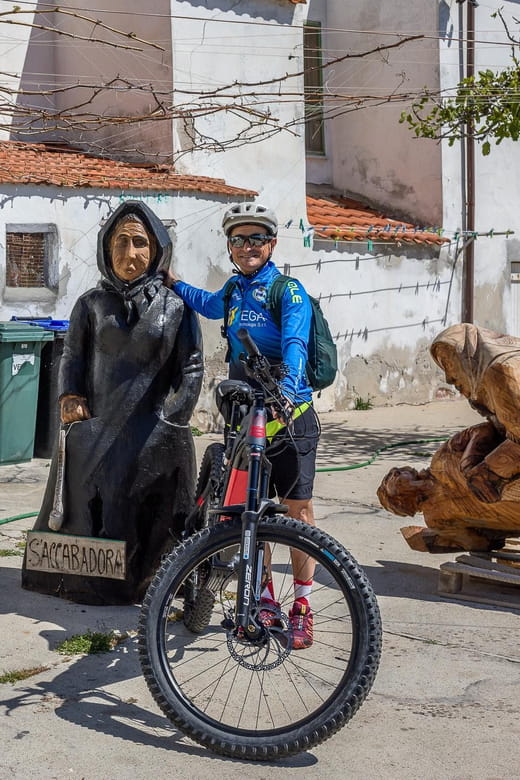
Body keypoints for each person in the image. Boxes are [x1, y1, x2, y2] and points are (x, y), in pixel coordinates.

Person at [22, 200, 203, 605]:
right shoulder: (90, 304)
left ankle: (156, 581)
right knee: (90, 506)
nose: (130, 253)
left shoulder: (176, 307)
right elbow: (72, 357)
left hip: (155, 426)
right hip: (99, 422)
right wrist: (69, 396)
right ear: (107, 249)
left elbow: (191, 368)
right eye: (120, 242)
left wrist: (173, 417)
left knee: (154, 510)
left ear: (156, 249)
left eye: (140, 242)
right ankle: (89, 581)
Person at [166, 202, 319, 648]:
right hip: (243, 413)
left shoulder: (287, 291)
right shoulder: (233, 290)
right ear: (230, 247)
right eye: (238, 239)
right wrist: (173, 283)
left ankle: (303, 607)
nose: (247, 246)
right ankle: (266, 598)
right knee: (252, 511)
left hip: (287, 416)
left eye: (256, 238)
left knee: (297, 513)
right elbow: (207, 305)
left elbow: (295, 343)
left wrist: (287, 396)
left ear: (271, 244)